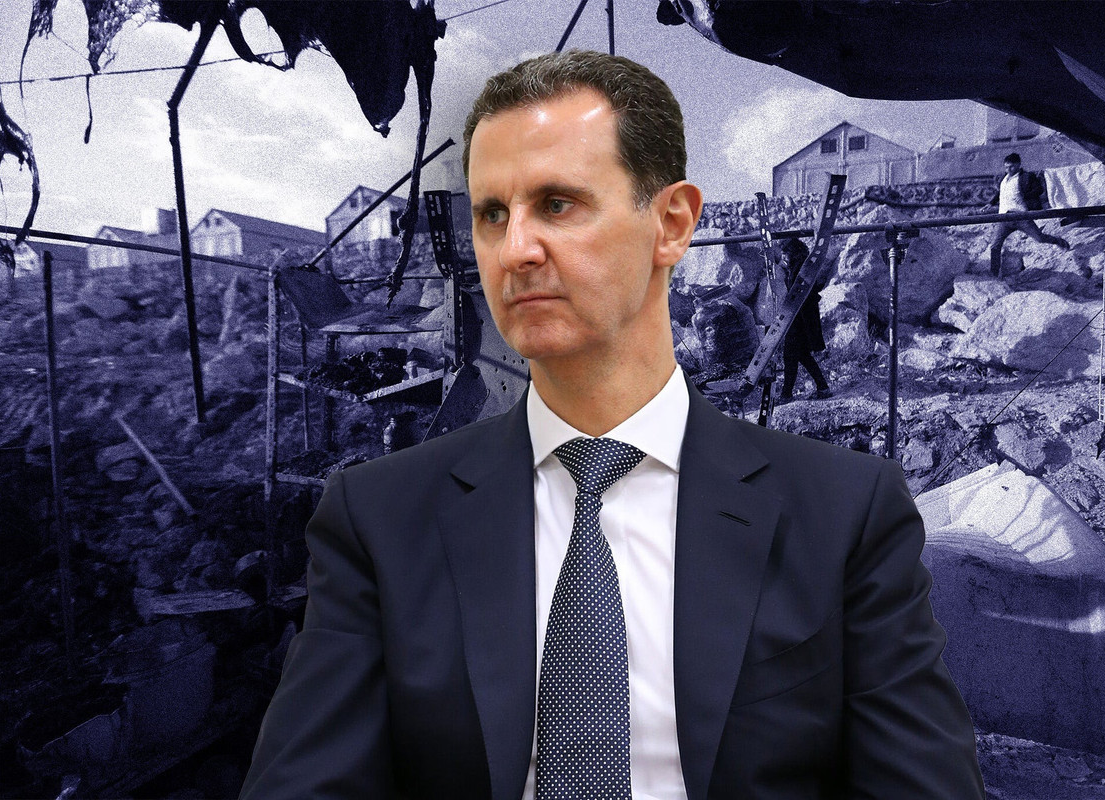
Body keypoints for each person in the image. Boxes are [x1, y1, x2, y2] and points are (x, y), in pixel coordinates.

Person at [240, 50, 984, 799]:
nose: (517, 249)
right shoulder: (377, 521)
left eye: (559, 204)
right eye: (493, 214)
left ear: (671, 225)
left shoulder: (845, 516)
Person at [988, 152, 1070, 277]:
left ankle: (1059, 242)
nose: (1008, 169)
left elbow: (1039, 189)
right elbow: (1000, 192)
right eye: (1006, 167)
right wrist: (991, 203)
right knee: (995, 245)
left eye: (1011, 167)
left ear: (1018, 165)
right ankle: (994, 274)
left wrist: (1025, 195)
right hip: (1004, 217)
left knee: (1040, 238)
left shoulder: (1026, 177)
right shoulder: (1004, 178)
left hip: (1021, 215)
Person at [776, 236, 831, 400]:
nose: (783, 257)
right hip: (801, 318)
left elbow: (799, 294)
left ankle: (786, 394)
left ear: (792, 252)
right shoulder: (800, 266)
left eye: (785, 253)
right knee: (802, 356)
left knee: (791, 356)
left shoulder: (801, 268)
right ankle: (822, 388)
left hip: (799, 319)